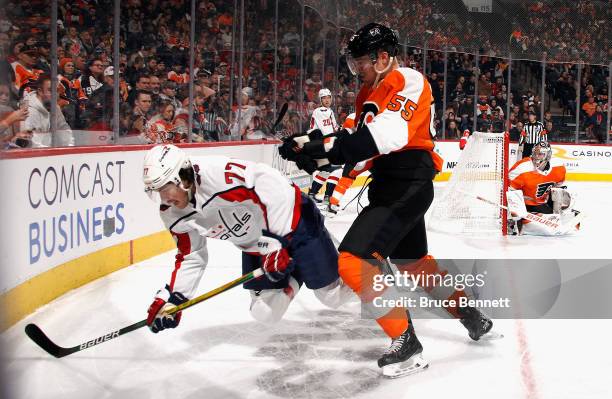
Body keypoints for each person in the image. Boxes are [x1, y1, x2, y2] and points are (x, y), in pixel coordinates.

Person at [278, 23, 496, 378]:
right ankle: (474, 318)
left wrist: (324, 151)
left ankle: (406, 343)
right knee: (414, 264)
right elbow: (352, 141)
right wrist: (306, 146)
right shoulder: (369, 90)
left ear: (383, 57)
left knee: (352, 261)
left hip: (408, 180)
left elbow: (386, 136)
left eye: (361, 61)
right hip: (391, 182)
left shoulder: (408, 79)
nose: (356, 68)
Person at [142, 145, 354, 333]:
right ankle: (296, 270)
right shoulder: (171, 213)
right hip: (259, 245)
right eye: (156, 191)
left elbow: (275, 184)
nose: (164, 198)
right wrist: (173, 299)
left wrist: (277, 243)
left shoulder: (217, 174)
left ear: (184, 177)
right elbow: (192, 255)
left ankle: (370, 267)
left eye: (165, 188)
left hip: (295, 222)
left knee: (332, 296)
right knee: (264, 312)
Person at [507, 140, 580, 236]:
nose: (536, 157)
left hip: (541, 204)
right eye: (535, 153)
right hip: (525, 206)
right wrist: (514, 213)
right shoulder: (521, 168)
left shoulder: (558, 167)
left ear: (548, 156)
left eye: (540, 154)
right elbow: (509, 192)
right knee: (518, 217)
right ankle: (516, 223)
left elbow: (558, 187)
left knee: (562, 195)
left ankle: (557, 216)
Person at [307, 88, 341, 209]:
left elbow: (334, 128)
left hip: (320, 145)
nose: (327, 100)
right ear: (320, 100)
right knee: (336, 170)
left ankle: (312, 193)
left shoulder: (328, 111)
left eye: (328, 97)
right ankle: (328, 197)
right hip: (322, 145)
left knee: (326, 171)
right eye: (324, 98)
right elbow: (327, 131)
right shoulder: (321, 111)